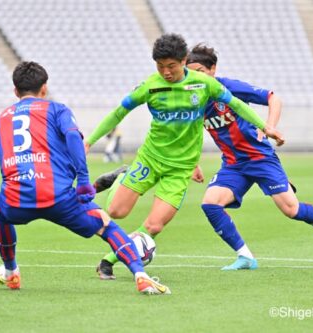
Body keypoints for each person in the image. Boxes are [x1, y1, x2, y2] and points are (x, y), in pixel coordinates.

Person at [84, 33, 284, 279]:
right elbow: (118, 114)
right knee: (115, 212)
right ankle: (120, 178)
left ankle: (114, 257)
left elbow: (238, 105)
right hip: (151, 159)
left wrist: (266, 127)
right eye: (160, 66)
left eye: (171, 66)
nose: (166, 72)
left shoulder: (204, 84)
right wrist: (90, 141)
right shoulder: (150, 85)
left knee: (155, 226)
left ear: (183, 61)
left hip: (180, 169)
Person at [0, 61, 170, 295]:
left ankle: (10, 272)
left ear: (15, 91)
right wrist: (84, 179)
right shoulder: (58, 110)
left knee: (2, 214)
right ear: (44, 88)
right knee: (107, 227)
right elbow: (72, 137)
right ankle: (141, 275)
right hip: (60, 198)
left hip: (17, 201)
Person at [185, 44, 313, 270]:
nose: (194, 77)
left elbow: (273, 98)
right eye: (190, 72)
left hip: (260, 158)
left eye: (199, 71)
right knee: (210, 204)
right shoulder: (192, 97)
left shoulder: (229, 87)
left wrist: (269, 126)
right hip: (233, 164)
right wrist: (193, 162)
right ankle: (246, 257)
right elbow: (189, 131)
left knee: (291, 210)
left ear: (213, 69)